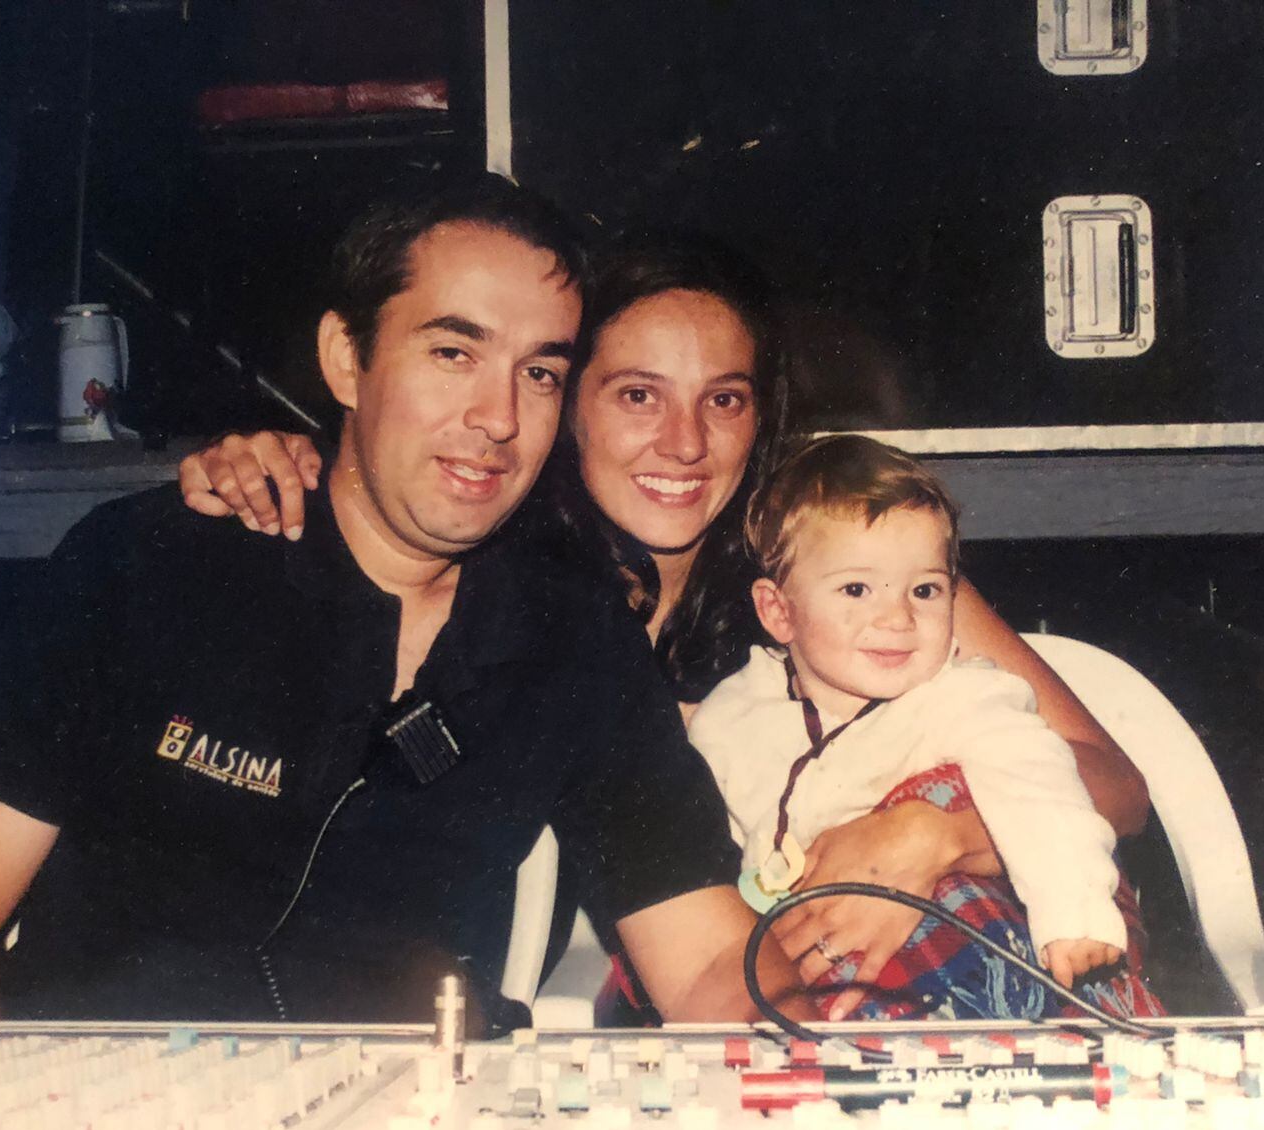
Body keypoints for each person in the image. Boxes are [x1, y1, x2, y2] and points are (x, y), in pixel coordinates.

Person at [0, 177, 816, 1027]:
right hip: (106, 1113)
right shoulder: (148, 566)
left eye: (539, 373)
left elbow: (700, 965)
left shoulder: (573, 641)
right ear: (345, 359)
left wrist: (833, 1034)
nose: (498, 418)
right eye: (454, 352)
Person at [178, 229, 1157, 1014]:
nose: (682, 444)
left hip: (912, 958)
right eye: (637, 395)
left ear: (760, 418)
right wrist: (279, 458)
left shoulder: (837, 571)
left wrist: (929, 833)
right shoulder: (500, 585)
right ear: (565, 405)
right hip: (688, 994)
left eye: (722, 401)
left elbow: (1111, 781)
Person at [691, 436, 1162, 1021]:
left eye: (925, 589)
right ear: (778, 611)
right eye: (856, 589)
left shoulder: (965, 694)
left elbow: (1040, 787)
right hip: (822, 955)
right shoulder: (732, 718)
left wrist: (1073, 913)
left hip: (994, 934)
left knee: (968, 786)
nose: (898, 617)